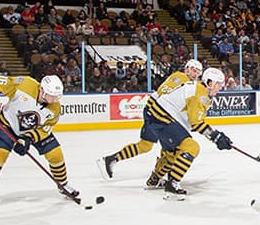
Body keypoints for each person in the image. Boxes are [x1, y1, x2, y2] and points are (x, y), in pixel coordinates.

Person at [97, 60, 229, 198]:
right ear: (209, 83)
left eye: (198, 71)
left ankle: (153, 178)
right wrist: (215, 136)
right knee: (190, 148)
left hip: (160, 114)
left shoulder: (196, 88)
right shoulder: (191, 86)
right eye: (219, 84)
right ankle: (171, 184)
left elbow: (190, 117)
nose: (221, 88)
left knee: (163, 150)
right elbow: (195, 122)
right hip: (161, 115)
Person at [0, 73, 77, 210]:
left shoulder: (55, 108)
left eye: (57, 96)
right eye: (52, 95)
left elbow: (44, 130)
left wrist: (28, 139)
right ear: (42, 90)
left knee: (56, 155)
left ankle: (63, 184)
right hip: (7, 125)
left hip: (32, 131)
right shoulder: (25, 84)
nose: (54, 99)